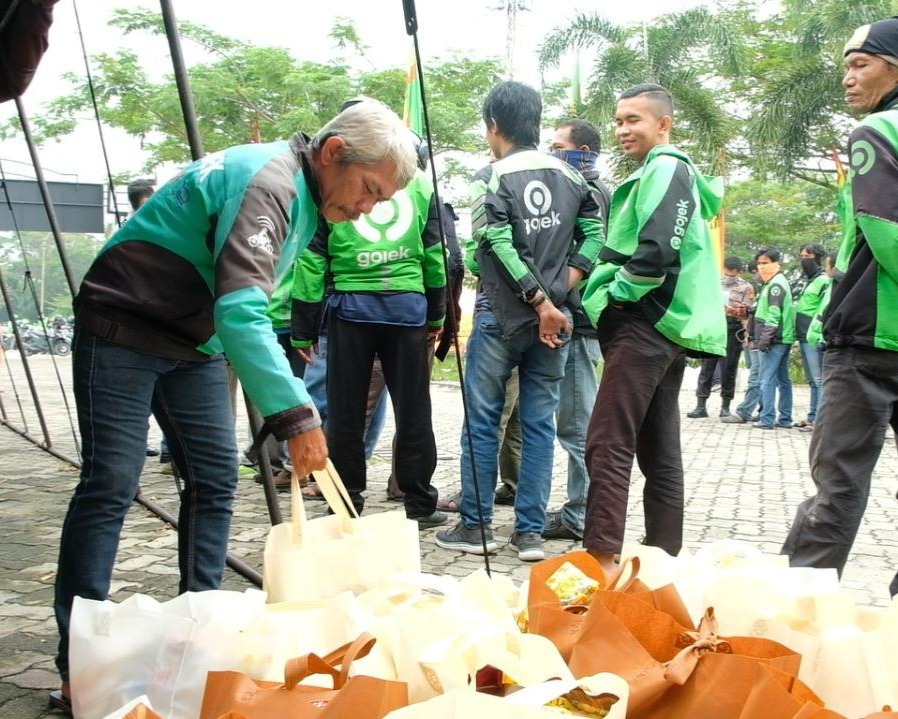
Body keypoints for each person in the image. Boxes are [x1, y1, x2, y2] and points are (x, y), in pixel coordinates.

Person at [51, 100, 418, 710]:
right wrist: (297, 416)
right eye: (369, 190)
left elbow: (248, 304)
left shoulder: (303, 196)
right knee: (112, 483)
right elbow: (242, 308)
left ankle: (204, 630)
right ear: (333, 154)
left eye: (379, 202)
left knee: (216, 479)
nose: (365, 210)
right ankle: (77, 658)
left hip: (194, 343)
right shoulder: (268, 181)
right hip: (123, 325)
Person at [435, 81, 602, 561]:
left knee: (482, 422)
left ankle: (476, 526)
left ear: (493, 124)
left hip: (499, 317)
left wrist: (534, 297)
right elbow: (594, 237)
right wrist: (556, 295)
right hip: (556, 322)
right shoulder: (573, 179)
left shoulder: (489, 176)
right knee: (539, 423)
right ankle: (529, 533)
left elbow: (492, 244)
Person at [580, 83, 726, 576]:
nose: (623, 129)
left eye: (634, 120)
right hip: (666, 327)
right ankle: (663, 564)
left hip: (645, 321)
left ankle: (601, 562)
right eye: (619, 120)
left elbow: (658, 248)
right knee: (659, 448)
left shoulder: (667, 166)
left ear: (664, 125)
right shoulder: (664, 170)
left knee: (607, 441)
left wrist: (617, 296)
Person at [782, 17, 898, 598]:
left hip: (870, 344)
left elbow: (882, 231)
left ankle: (790, 624)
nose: (848, 78)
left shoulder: (878, 130)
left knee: (839, 485)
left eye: (861, 64)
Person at [291, 162, 447, 527]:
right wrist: (437, 313)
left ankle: (345, 505)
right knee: (414, 411)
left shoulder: (334, 180)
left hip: (350, 311)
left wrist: (303, 328)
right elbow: (437, 253)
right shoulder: (421, 184)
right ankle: (421, 504)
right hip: (407, 310)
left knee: (346, 413)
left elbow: (312, 260)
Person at [541, 118, 611, 541]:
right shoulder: (581, 188)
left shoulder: (590, 193)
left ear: (583, 151)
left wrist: (554, 292)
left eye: (558, 145)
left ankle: (582, 513)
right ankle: (580, 508)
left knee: (576, 423)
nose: (552, 152)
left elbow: (591, 253)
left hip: (580, 321)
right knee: (574, 419)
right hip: (578, 318)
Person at [686, 256, 755, 419]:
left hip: (733, 328)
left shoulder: (746, 287)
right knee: (707, 366)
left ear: (739, 272)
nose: (730, 276)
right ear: (723, 269)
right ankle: (700, 405)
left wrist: (733, 311)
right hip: (713, 326)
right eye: (728, 272)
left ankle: (725, 406)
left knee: (729, 368)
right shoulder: (714, 283)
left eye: (734, 273)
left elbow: (748, 312)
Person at [752, 247, 795, 430]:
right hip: (783, 337)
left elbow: (774, 314)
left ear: (776, 263)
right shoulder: (773, 283)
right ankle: (785, 419)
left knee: (766, 379)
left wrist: (765, 338)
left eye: (765, 263)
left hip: (775, 339)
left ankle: (767, 418)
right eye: (759, 263)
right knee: (783, 380)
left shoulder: (775, 285)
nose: (762, 267)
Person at [793, 242, 829, 432]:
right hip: (802, 335)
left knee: (818, 380)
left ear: (816, 256)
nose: (803, 260)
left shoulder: (823, 280)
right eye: (801, 256)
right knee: (811, 380)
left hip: (812, 336)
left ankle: (820, 421)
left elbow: (823, 309)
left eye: (806, 256)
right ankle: (812, 416)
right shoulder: (810, 280)